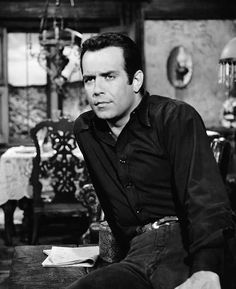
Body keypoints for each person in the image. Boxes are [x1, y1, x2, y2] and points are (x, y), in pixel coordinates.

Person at [68, 32, 235, 289]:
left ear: (135, 81)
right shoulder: (86, 130)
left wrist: (206, 268)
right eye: (89, 79)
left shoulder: (175, 117)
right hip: (139, 251)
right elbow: (112, 204)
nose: (97, 90)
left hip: (183, 239)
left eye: (109, 76)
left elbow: (205, 199)